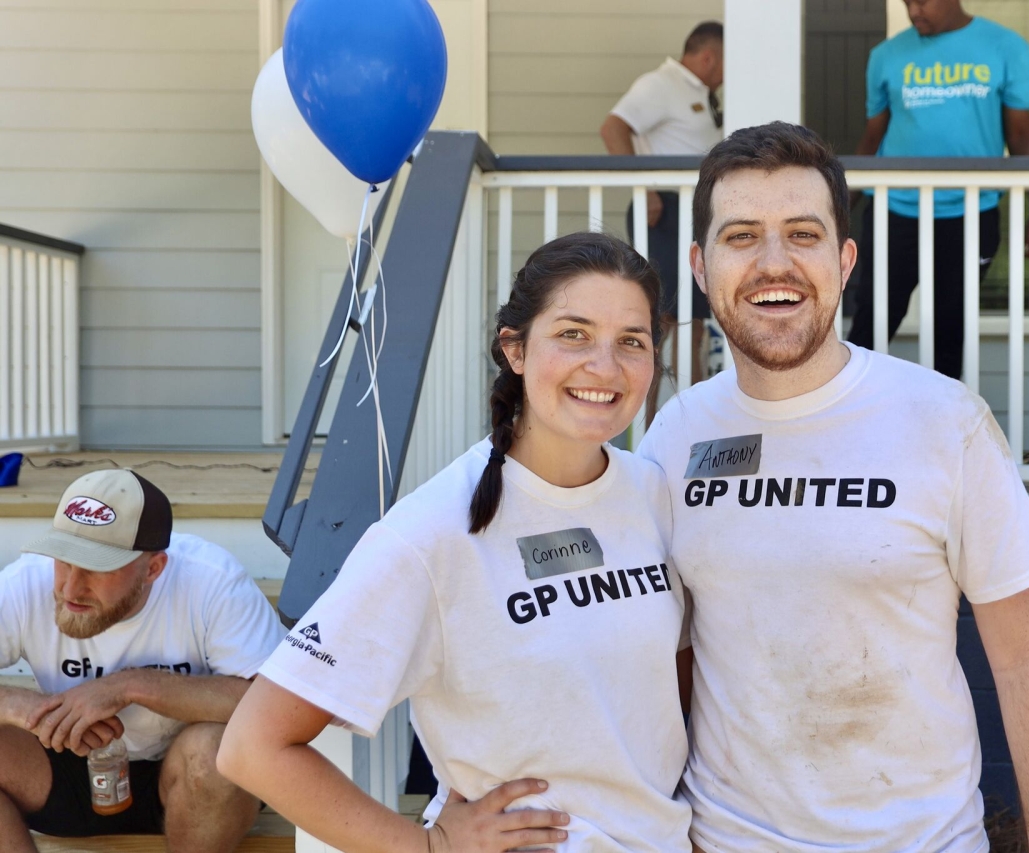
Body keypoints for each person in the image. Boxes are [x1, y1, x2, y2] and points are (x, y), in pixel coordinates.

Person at [639, 122, 1029, 853]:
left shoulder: (946, 422)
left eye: (803, 234)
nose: (773, 263)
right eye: (742, 235)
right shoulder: (673, 439)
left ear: (845, 261)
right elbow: (654, 651)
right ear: (699, 263)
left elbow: (1028, 659)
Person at [218, 232, 694, 853]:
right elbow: (254, 747)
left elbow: (670, 686)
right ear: (515, 350)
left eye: (631, 342)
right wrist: (429, 847)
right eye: (573, 334)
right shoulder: (431, 534)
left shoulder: (652, 493)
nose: (605, 367)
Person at [0, 469, 285, 853]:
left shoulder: (211, 581)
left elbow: (274, 704)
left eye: (96, 569)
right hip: (63, 767)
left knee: (216, 752)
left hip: (186, 778)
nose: (70, 587)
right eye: (63, 560)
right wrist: (24, 706)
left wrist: (130, 686)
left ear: (153, 569)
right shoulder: (23, 584)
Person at [849, 0, 1029, 380]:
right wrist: (837, 213)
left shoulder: (1005, 47)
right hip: (895, 212)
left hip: (969, 215)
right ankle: (849, 428)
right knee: (871, 325)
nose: (913, 11)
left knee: (950, 329)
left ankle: (947, 433)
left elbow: (1021, 134)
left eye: (922, 2)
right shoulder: (886, 56)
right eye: (907, 2)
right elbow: (872, 139)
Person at [602, 20, 724, 411]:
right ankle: (646, 421)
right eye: (725, 64)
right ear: (709, 57)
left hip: (691, 211)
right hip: (663, 210)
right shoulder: (660, 83)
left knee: (694, 320)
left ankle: (690, 416)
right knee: (661, 318)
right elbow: (613, 128)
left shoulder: (703, 95)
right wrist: (647, 187)